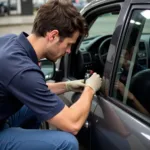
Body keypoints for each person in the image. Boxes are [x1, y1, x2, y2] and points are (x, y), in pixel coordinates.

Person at [0, 0, 102, 150]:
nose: (68, 51)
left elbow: (33, 88)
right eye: (68, 44)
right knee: (67, 143)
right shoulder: (22, 70)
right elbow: (72, 124)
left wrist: (67, 86)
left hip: (4, 118)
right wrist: (90, 89)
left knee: (38, 108)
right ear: (53, 36)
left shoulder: (10, 41)